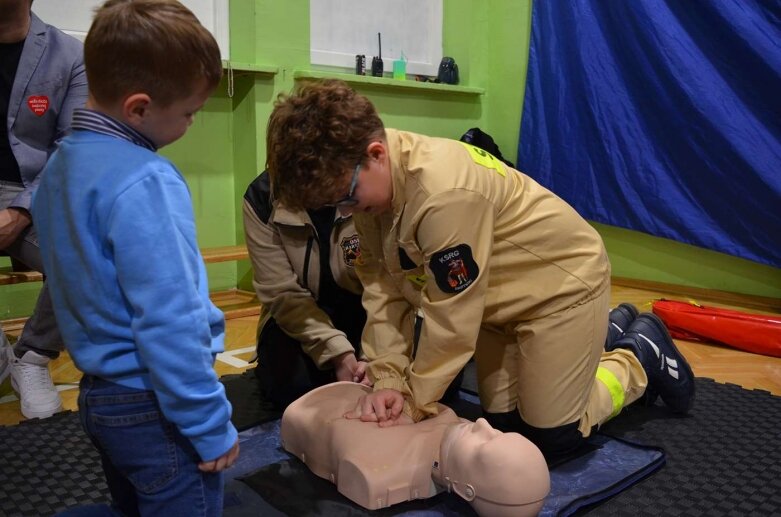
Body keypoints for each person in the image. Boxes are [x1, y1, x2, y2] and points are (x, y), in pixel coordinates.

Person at [264, 79, 696, 460]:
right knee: (504, 430)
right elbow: (383, 292)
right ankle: (607, 328)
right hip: (495, 306)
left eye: (346, 200)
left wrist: (413, 399)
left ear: (375, 154)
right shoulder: (371, 191)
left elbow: (451, 321)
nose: (346, 210)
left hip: (561, 289)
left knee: (552, 437)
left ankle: (636, 355)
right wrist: (386, 378)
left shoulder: (442, 193)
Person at [32, 1, 238, 514]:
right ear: (139, 108)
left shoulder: (59, 166)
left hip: (99, 398)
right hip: (155, 404)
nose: (192, 122)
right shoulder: (147, 179)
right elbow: (171, 318)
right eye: (190, 112)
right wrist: (210, 426)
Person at [0, 0, 87, 419]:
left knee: (82, 254)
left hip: (34, 191)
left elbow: (70, 146)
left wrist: (21, 210)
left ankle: (31, 357)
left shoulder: (69, 55)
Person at [280, 382, 550, 516]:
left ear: (465, 489)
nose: (482, 424)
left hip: (312, 408)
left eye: (485, 443)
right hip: (339, 394)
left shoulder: (381, 471)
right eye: (499, 433)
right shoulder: (451, 421)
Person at [243, 170, 369, 409]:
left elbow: (386, 288)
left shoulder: (369, 181)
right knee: (294, 387)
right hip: (298, 316)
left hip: (365, 307)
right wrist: (337, 353)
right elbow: (281, 293)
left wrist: (375, 355)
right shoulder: (261, 196)